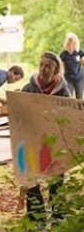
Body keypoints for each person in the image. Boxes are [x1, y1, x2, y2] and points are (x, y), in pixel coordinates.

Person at [20, 52, 70, 223]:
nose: (43, 69)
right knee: (32, 179)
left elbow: (68, 118)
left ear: (56, 70)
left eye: (48, 66)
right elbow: (20, 117)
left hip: (55, 143)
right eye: (41, 65)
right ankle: (36, 218)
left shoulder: (64, 92)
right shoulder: (28, 89)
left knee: (57, 181)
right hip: (33, 142)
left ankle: (58, 217)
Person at [59, 32, 84, 98]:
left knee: (79, 98)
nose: (71, 44)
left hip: (79, 78)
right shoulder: (63, 54)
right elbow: (59, 66)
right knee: (68, 97)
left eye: (73, 42)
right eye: (69, 42)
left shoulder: (79, 52)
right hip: (68, 79)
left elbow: (83, 62)